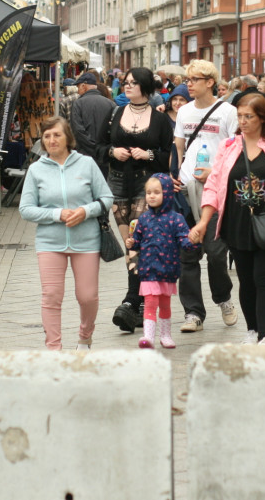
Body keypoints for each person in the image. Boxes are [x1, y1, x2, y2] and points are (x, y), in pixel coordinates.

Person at [190, 93, 265, 344]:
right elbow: (213, 186)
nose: (243, 122)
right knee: (246, 280)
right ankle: (252, 330)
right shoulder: (230, 146)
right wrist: (203, 221)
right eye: (240, 116)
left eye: (249, 117)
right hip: (238, 224)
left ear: (262, 117)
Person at [19, 117, 113, 351]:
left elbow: (107, 198)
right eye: (47, 136)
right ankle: (54, 348)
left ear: (68, 138)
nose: (51, 140)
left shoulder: (87, 164)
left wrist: (85, 211)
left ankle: (85, 337)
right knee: (51, 296)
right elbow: (25, 209)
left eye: (57, 135)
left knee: (87, 297)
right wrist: (56, 214)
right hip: (50, 242)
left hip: (86, 240)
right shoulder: (36, 170)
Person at [105, 68, 174, 333]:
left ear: (145, 87)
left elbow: (169, 154)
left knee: (139, 241)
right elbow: (100, 145)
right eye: (126, 83)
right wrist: (113, 151)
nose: (128, 86)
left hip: (147, 183)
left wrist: (149, 155)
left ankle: (133, 300)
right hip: (119, 183)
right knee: (131, 246)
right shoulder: (116, 113)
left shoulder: (159, 120)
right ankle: (140, 300)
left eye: (133, 83)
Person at [174, 58, 240, 332]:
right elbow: (179, 145)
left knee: (215, 253)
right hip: (186, 189)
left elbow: (237, 149)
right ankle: (193, 313)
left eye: (194, 80)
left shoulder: (228, 112)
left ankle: (223, 298)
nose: (188, 84)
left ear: (210, 82)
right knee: (187, 253)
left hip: (216, 189)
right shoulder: (184, 112)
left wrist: (215, 170)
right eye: (187, 80)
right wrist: (176, 173)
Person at [125, 174, 198, 349]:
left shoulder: (176, 219)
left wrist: (192, 242)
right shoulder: (143, 219)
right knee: (150, 302)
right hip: (148, 270)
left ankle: (165, 335)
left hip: (168, 270)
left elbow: (184, 241)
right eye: (148, 192)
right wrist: (132, 242)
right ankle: (148, 337)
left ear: (166, 193)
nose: (151, 196)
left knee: (165, 304)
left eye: (157, 192)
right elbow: (137, 238)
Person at [71, 71, 117, 176]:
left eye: (78, 87)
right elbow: (114, 131)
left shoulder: (78, 104)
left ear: (84, 86)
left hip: (84, 155)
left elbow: (78, 131)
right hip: (105, 156)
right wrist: (102, 149)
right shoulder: (111, 104)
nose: (78, 91)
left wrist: (93, 148)